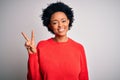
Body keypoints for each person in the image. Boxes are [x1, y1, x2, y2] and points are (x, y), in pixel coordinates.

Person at [21, 2, 89, 80]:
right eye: (55, 22)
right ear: (50, 25)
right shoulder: (42, 46)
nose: (60, 25)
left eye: (63, 21)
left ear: (68, 21)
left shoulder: (79, 48)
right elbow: (34, 78)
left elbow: (84, 77)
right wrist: (32, 55)